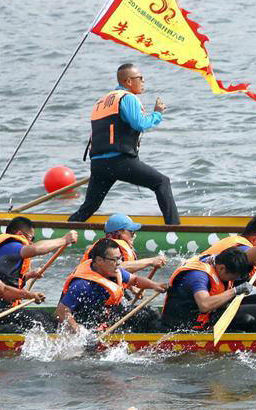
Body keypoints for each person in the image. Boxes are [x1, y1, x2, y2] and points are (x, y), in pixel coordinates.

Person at [69, 63, 179, 224]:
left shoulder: (101, 101)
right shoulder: (128, 98)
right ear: (128, 81)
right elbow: (139, 124)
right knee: (162, 182)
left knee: (89, 206)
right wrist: (157, 113)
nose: (143, 81)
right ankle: (174, 230)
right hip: (119, 162)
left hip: (99, 164)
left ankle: (67, 229)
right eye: (140, 78)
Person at [162, 246, 256, 332]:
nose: (234, 281)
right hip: (191, 324)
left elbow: (247, 260)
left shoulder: (221, 260)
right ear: (222, 268)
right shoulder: (198, 276)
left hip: (215, 311)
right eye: (233, 277)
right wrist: (235, 290)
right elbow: (204, 305)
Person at [56, 238, 167, 332]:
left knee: (150, 312)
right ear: (99, 260)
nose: (119, 263)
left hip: (107, 316)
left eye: (120, 258)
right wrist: (80, 332)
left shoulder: (114, 270)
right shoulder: (82, 285)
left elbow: (135, 280)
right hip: (87, 324)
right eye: (114, 259)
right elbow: (61, 313)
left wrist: (155, 285)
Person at [0, 217, 77, 330]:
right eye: (31, 238)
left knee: (49, 319)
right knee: (41, 325)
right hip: (1, 313)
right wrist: (64, 240)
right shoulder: (10, 246)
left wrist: (29, 276)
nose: (31, 242)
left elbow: (6, 283)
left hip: (5, 310)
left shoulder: (3, 249)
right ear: (20, 234)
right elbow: (35, 249)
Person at [79, 213, 166, 273]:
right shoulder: (105, 248)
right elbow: (114, 268)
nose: (134, 235)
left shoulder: (114, 248)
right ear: (116, 234)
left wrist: (133, 285)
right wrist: (150, 261)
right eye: (131, 232)